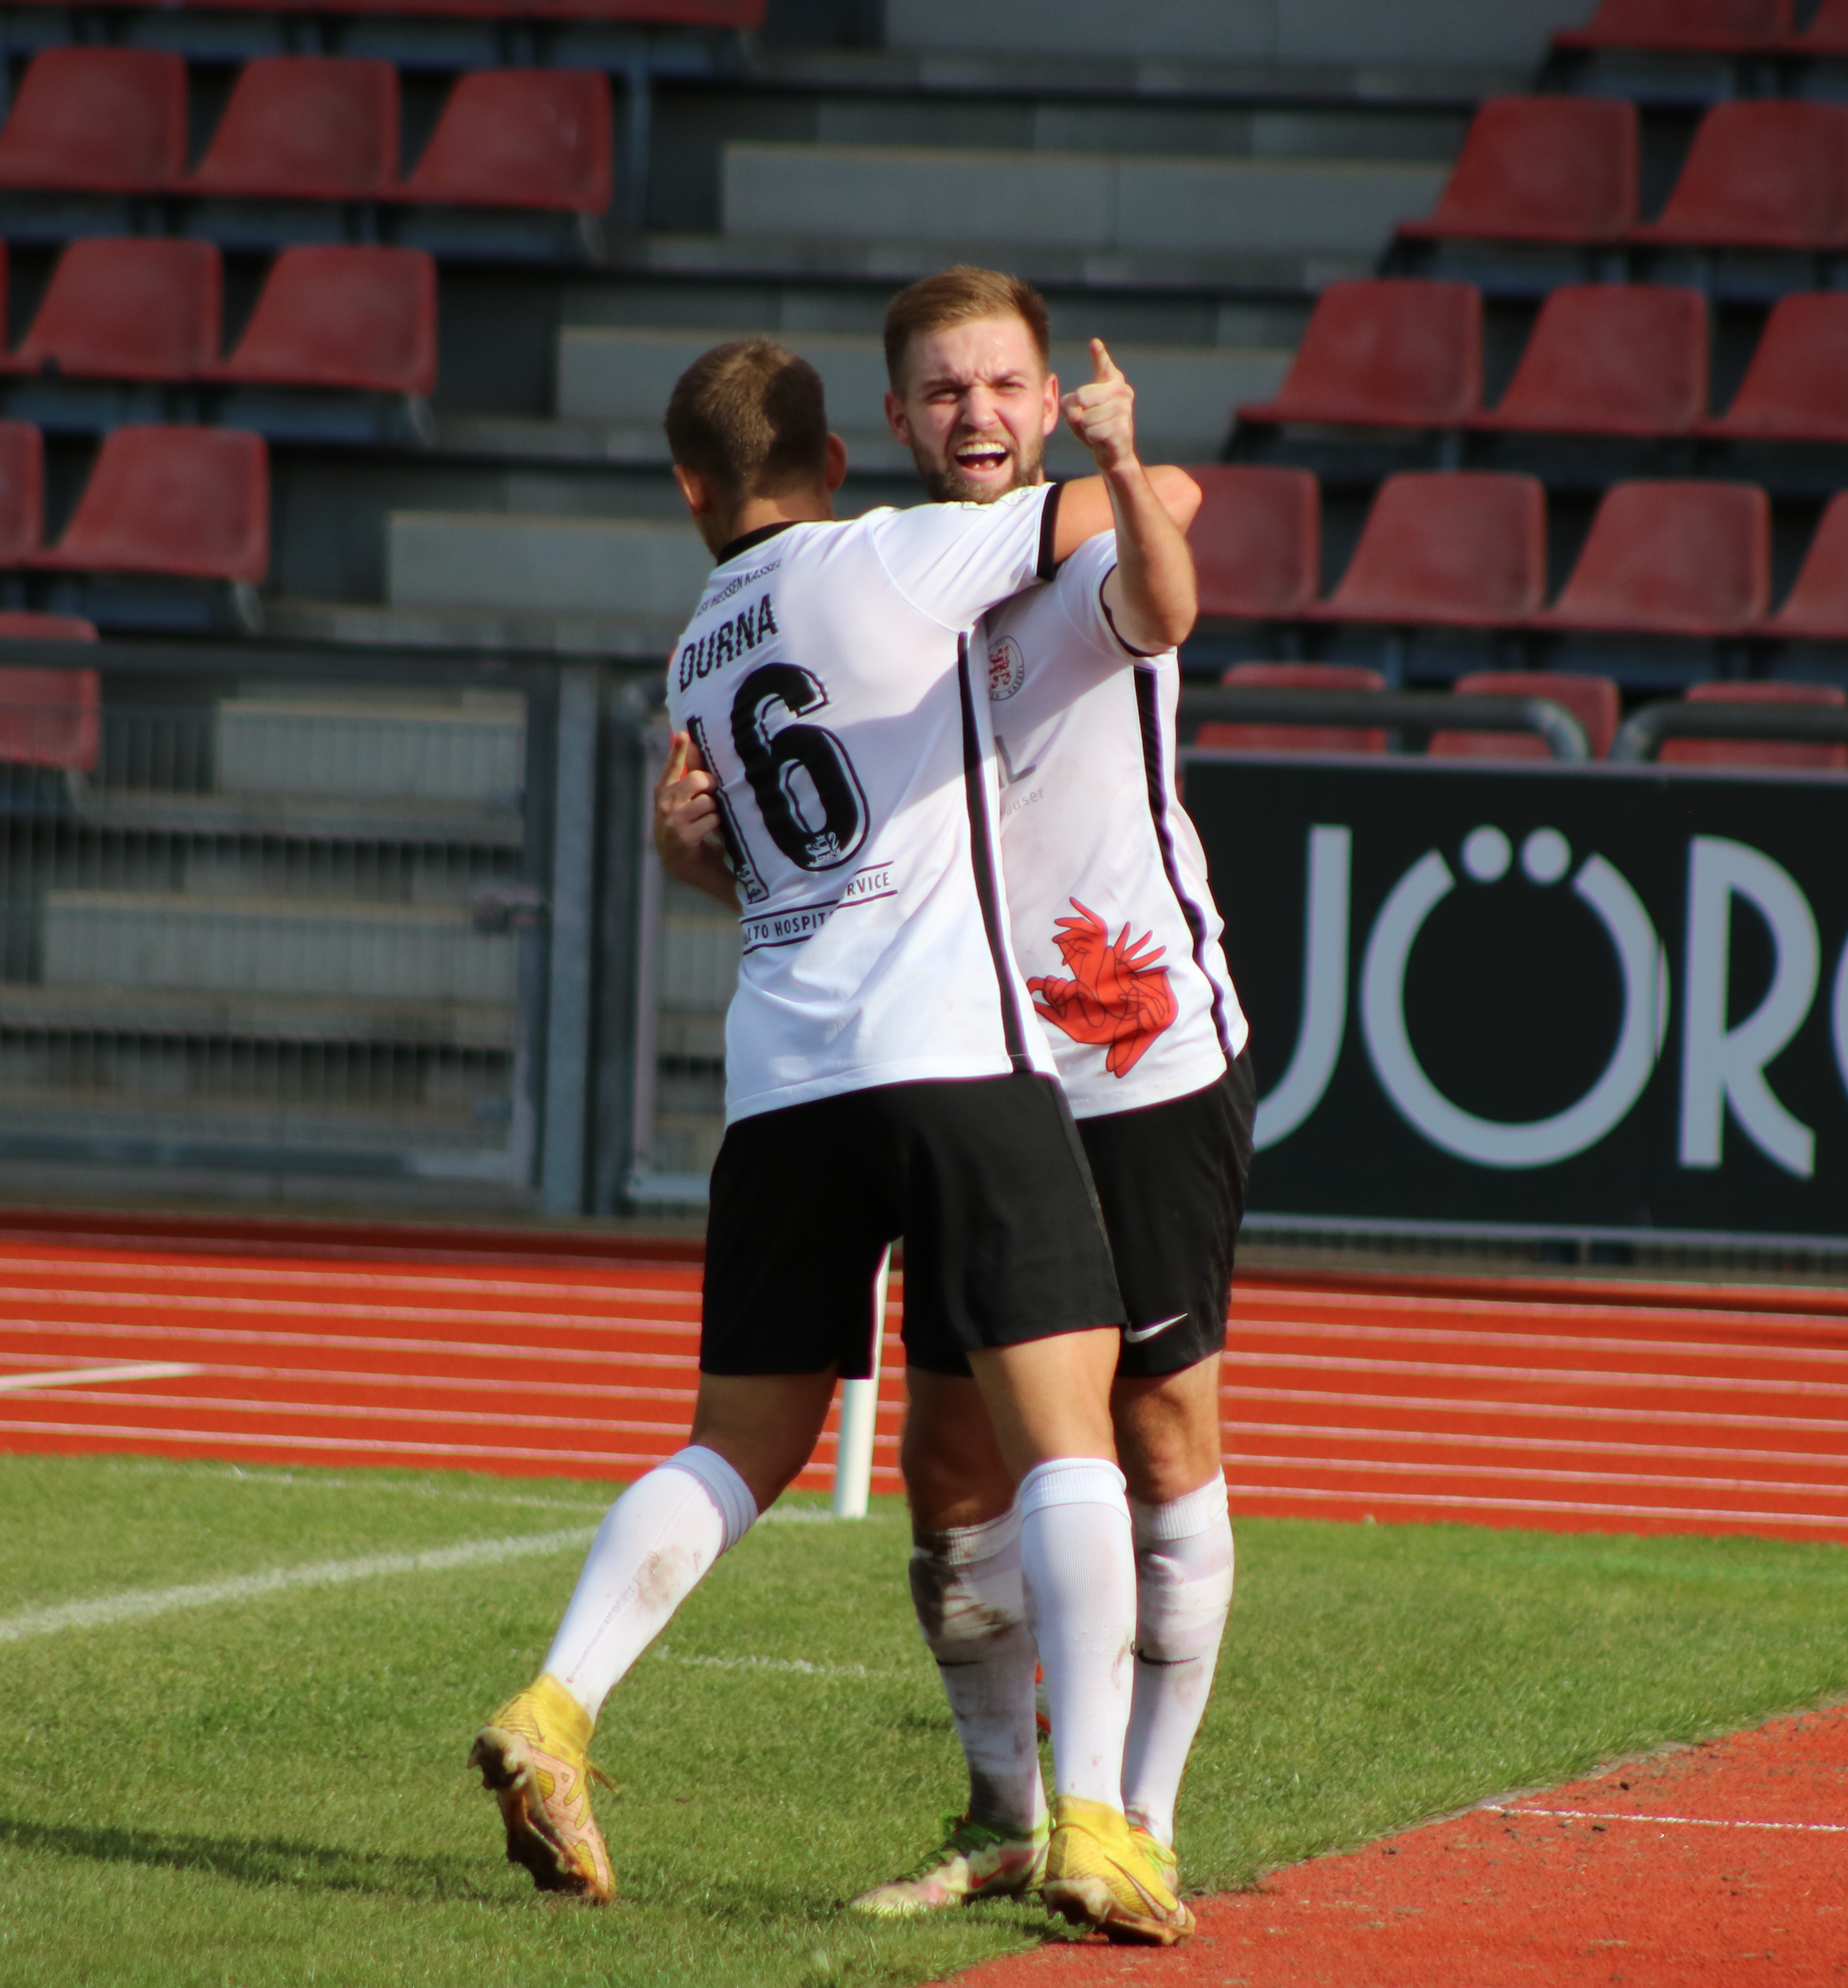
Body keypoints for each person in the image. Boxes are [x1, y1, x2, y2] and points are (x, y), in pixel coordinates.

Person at [472, 333, 1206, 1945]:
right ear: (834, 458)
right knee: (1068, 1431)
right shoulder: (890, 554)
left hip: (780, 1080)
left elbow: (771, 844)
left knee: (736, 1443)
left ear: (689, 488)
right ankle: (1097, 1826)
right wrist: (1096, 446)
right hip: (950, 1057)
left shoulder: (693, 652)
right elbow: (1116, 521)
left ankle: (558, 1703)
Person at [661, 267, 1251, 1929]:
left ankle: (1136, 1818)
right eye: (943, 392)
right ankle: (1003, 1810)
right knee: (952, 1472)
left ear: (1048, 400)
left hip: (1122, 1053)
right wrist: (695, 860)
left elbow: (1171, 591)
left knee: (1154, 1430)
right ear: (893, 423)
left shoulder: (1072, 559)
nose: (975, 415)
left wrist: (1136, 469)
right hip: (963, 1072)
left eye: (1003, 387)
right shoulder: (871, 593)